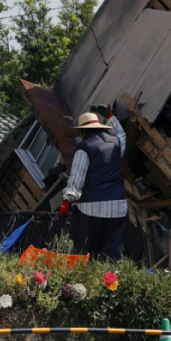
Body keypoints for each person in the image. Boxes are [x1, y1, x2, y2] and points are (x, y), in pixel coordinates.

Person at [61, 103, 127, 260]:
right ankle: (112, 281)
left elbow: (77, 179)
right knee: (112, 254)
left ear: (82, 131)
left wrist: (66, 200)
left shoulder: (84, 148)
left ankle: (88, 283)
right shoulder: (116, 144)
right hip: (118, 206)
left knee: (86, 253)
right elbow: (122, 134)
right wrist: (110, 117)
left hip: (90, 209)